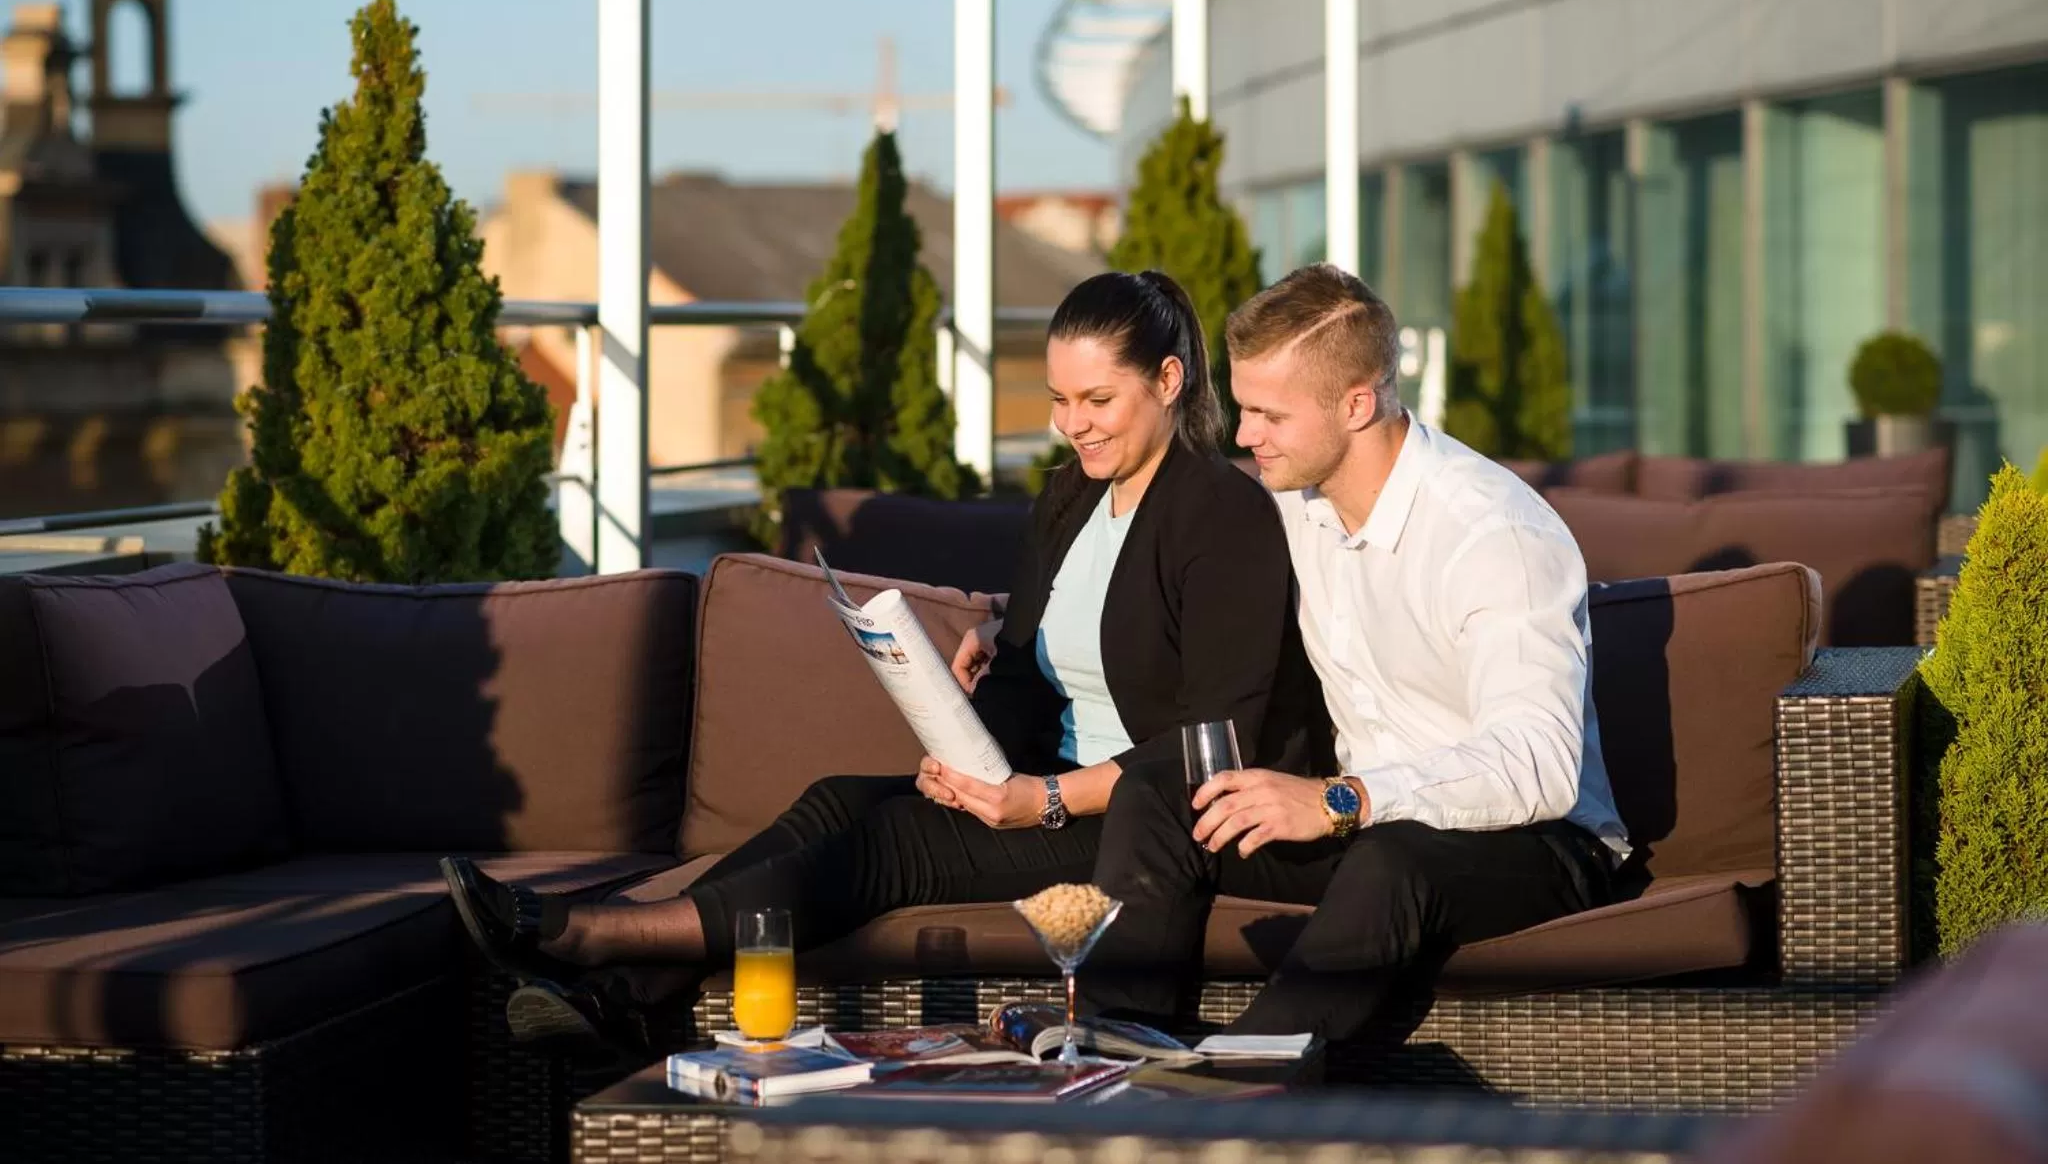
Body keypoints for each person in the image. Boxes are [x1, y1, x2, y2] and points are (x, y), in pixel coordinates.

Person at [438, 269, 1324, 1050]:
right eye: (1059, 401)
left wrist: (1040, 799)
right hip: (1045, 785)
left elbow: (1214, 738)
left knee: (889, 844)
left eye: (1097, 402)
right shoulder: (1070, 497)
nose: (1072, 426)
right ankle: (624, 993)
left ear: (1168, 381)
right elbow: (1021, 670)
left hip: (1149, 816)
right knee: (840, 799)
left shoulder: (1222, 515)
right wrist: (969, 750)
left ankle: (598, 933)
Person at [1077, 262, 1630, 1043]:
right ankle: (1115, 1055)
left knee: (1393, 861)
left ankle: (1234, 1095)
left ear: (1358, 403)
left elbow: (1538, 764)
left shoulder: (1494, 533)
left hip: (1536, 842)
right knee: (1161, 794)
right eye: (1242, 408)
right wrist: (1007, 629)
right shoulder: (1294, 502)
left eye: (1268, 414)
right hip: (1367, 824)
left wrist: (1340, 798)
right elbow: (1173, 578)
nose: (1243, 435)